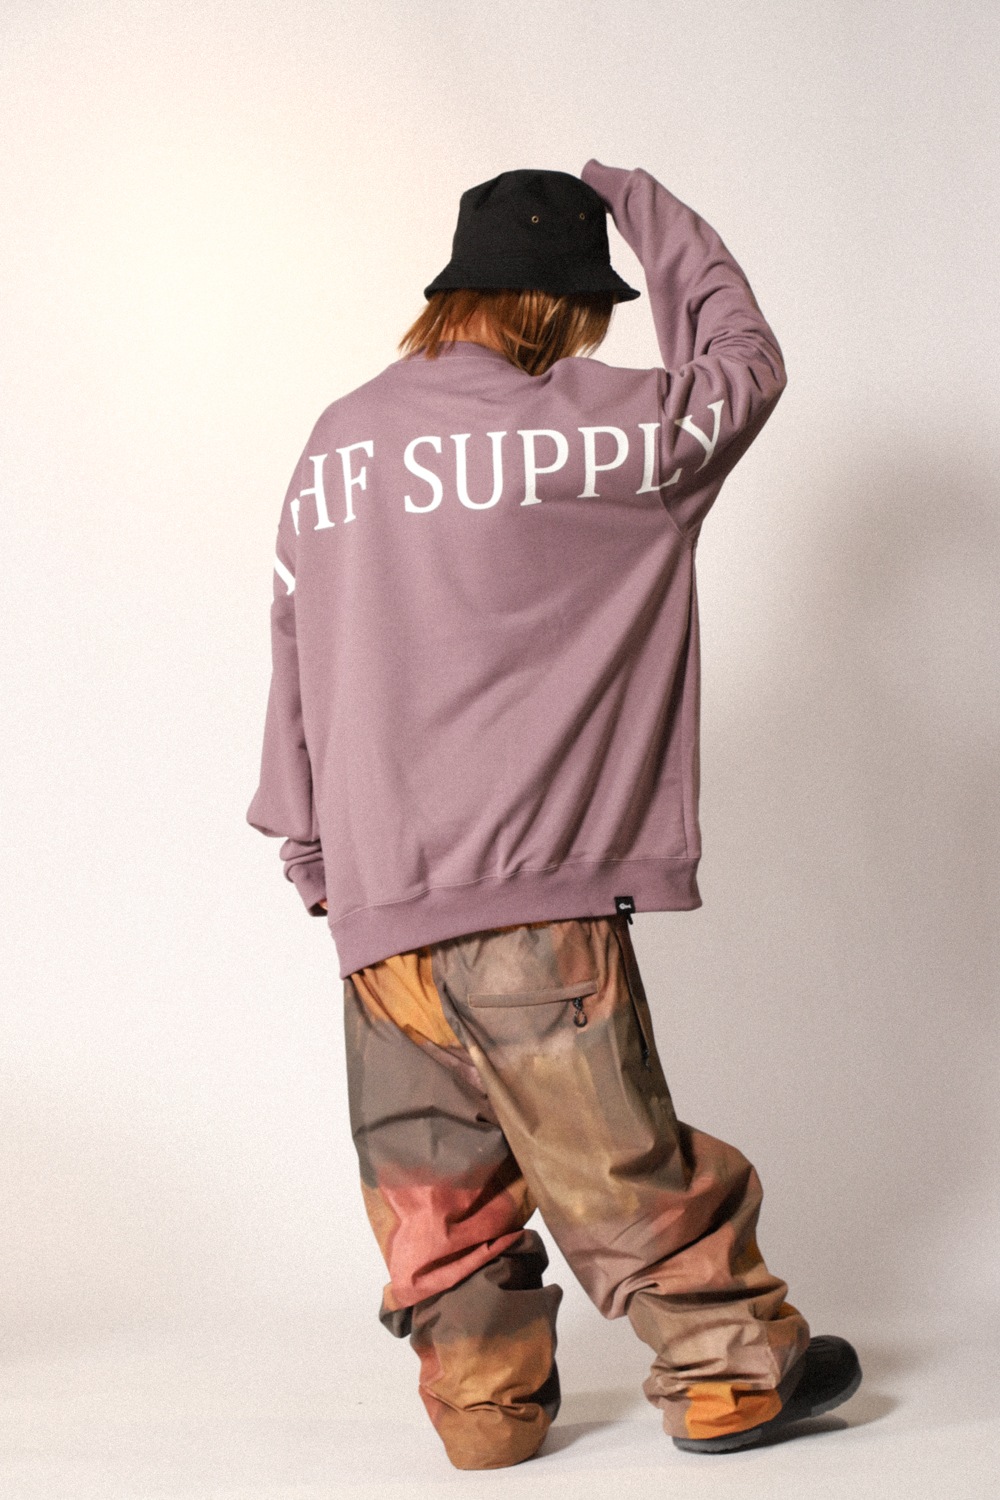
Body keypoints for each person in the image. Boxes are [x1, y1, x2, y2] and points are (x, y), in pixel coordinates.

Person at [246, 160, 862, 1470]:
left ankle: (487, 1417)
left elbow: (293, 642)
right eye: (590, 312)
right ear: (561, 305)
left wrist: (315, 853)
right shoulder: (604, 433)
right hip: (528, 907)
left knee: (437, 1193)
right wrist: (646, 207)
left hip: (377, 916)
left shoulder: (335, 442)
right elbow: (744, 364)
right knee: (617, 1164)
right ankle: (733, 1377)